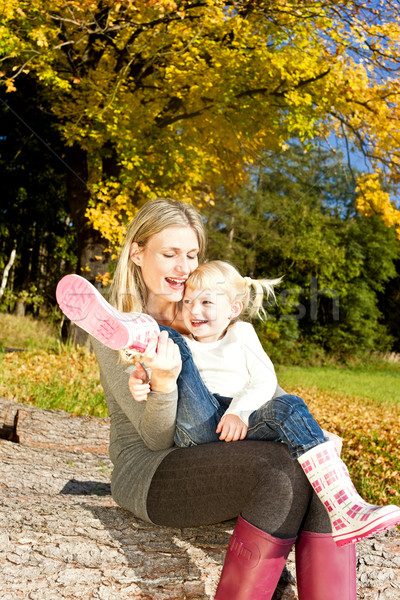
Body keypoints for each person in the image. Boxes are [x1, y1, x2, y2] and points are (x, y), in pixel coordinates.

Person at [56, 198, 358, 600]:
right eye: (170, 254)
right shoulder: (114, 332)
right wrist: (164, 385)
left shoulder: (209, 317)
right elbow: (155, 440)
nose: (184, 267)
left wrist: (315, 439)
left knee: (315, 466)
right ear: (137, 253)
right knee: (277, 470)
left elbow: (262, 386)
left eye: (192, 255)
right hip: (152, 471)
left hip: (221, 446)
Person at [129, 259, 400, 547]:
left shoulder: (242, 333)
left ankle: (344, 506)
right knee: (167, 336)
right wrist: (143, 379)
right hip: (199, 426)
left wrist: (240, 412)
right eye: (187, 302)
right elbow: (167, 382)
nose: (193, 310)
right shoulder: (183, 343)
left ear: (233, 308)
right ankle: (133, 330)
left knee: (291, 404)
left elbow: (264, 380)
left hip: (239, 419)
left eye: (206, 301)